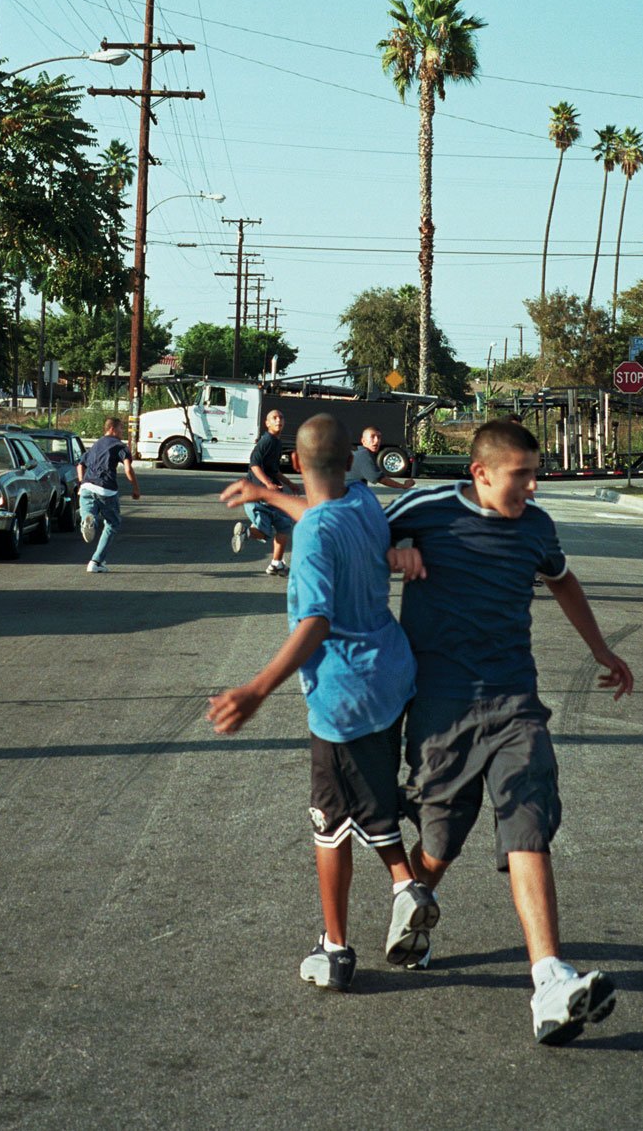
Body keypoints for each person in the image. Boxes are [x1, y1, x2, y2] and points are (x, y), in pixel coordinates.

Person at [232, 418, 636, 1046]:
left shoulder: (537, 528)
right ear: (481, 473)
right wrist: (394, 550)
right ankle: (412, 905)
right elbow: (348, 531)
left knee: (527, 818)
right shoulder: (426, 507)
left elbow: (562, 581)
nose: (533, 487)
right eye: (522, 475)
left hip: (514, 701)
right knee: (441, 837)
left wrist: (602, 649)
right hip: (440, 708)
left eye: (535, 474)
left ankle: (550, 979)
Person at [208, 415, 430, 992]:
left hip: (342, 691)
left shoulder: (313, 536)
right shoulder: (361, 502)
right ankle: (406, 887)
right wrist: (267, 495)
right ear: (348, 460)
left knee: (329, 820)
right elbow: (320, 509)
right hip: (391, 674)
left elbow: (315, 621)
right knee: (373, 790)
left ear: (295, 463)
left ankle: (337, 947)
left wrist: (256, 689)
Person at [230, 406, 295, 575]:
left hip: (269, 495)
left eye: (281, 417)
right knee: (265, 532)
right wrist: (267, 484)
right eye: (274, 418)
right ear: (267, 423)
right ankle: (246, 533)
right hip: (257, 495)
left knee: (284, 526)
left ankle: (276, 563)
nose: (278, 420)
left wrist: (290, 483)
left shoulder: (277, 442)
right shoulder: (266, 441)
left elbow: (273, 469)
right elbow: (254, 465)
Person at [76, 415, 141, 574]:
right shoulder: (120, 446)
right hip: (106, 489)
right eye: (120, 429)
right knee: (113, 524)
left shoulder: (95, 445)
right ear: (112, 429)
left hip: (87, 486)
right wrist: (135, 488)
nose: (122, 432)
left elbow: (80, 465)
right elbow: (127, 469)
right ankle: (96, 561)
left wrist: (81, 482)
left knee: (87, 510)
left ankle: (87, 520)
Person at [347, 425, 414, 492]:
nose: (376, 441)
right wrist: (403, 486)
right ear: (363, 441)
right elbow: (381, 479)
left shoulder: (359, 452)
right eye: (372, 437)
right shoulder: (363, 455)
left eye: (378, 437)